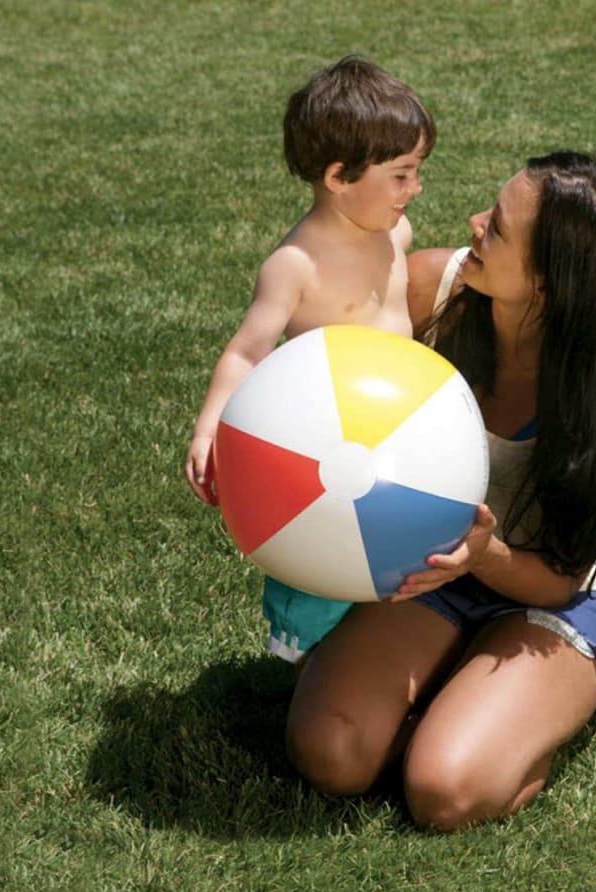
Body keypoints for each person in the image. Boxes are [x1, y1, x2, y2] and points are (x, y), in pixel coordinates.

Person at [285, 150, 596, 831]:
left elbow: (564, 577)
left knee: (444, 793)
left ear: (547, 283)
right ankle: (456, 694)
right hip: (433, 573)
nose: (473, 223)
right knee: (330, 754)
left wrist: (483, 555)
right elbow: (329, 391)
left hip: (557, 599)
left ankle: (504, 724)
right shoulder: (432, 290)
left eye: (498, 228)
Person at [185, 56, 435, 662]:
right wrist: (210, 426)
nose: (416, 189)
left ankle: (380, 650)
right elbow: (247, 352)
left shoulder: (393, 234)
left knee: (397, 548)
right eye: (401, 175)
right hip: (323, 448)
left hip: (395, 432)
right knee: (323, 557)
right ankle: (296, 652)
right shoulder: (297, 265)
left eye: (418, 171)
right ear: (338, 177)